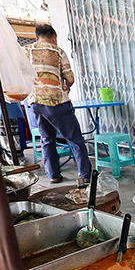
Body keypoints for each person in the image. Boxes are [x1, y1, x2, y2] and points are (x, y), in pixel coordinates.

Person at [25, 24, 92, 184]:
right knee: (75, 139)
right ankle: (85, 175)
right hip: (57, 102)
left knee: (47, 139)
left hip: (36, 103)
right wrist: (66, 87)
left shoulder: (26, 51)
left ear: (37, 38)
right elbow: (70, 79)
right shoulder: (58, 51)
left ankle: (53, 175)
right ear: (54, 38)